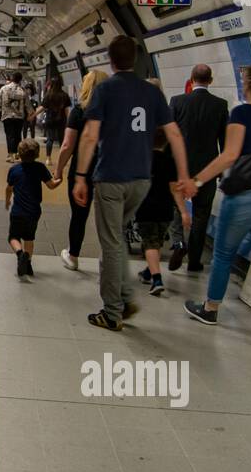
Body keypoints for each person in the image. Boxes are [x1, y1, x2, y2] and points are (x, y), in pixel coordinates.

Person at [72, 37, 196, 331]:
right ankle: (123, 296)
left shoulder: (105, 89)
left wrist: (80, 176)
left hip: (111, 178)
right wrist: (185, 176)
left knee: (112, 243)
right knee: (115, 240)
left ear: (110, 59)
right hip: (141, 179)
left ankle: (114, 311)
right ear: (137, 59)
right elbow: (175, 136)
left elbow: (90, 136)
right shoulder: (151, 93)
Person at [181, 63, 251, 347]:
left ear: (247, 84)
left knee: (222, 255)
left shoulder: (241, 113)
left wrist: (197, 180)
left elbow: (230, 155)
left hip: (246, 197)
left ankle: (210, 309)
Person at [166, 64, 229, 273]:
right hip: (207, 169)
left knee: (177, 206)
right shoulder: (220, 105)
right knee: (202, 214)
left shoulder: (177, 101)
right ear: (210, 81)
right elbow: (224, 142)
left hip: (180, 165)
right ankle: (194, 261)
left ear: (191, 79)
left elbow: (170, 135)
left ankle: (178, 243)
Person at [53, 69, 107, 271]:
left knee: (79, 215)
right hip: (109, 169)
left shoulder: (79, 111)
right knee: (109, 218)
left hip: (81, 171)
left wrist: (58, 171)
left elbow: (67, 145)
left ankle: (73, 256)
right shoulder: (115, 111)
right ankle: (109, 261)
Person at [135, 128, 191, 297]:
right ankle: (148, 272)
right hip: (166, 209)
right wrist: (183, 212)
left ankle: (157, 280)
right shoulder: (170, 161)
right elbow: (175, 190)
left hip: (146, 207)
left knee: (150, 243)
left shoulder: (142, 160)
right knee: (157, 242)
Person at [5, 137, 60, 277]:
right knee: (29, 239)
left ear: (19, 153)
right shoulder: (40, 168)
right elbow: (51, 185)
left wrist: (7, 201)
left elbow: (9, 189)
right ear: (37, 154)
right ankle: (28, 263)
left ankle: (20, 254)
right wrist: (59, 179)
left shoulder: (14, 170)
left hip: (17, 212)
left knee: (13, 237)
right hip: (34, 212)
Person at [36, 81, 71, 167]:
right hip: (61, 120)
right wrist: (69, 121)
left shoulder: (48, 95)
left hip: (50, 120)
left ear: (51, 85)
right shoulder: (65, 95)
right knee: (61, 140)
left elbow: (43, 107)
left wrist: (34, 115)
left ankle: (48, 159)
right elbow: (67, 110)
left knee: (50, 139)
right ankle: (61, 159)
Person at [0, 72, 30, 162]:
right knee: (17, 135)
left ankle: (10, 155)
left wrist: (3, 108)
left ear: (12, 78)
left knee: (9, 135)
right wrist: (31, 115)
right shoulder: (23, 90)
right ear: (20, 79)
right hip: (19, 117)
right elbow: (28, 104)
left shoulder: (4, 88)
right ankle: (17, 154)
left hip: (7, 116)